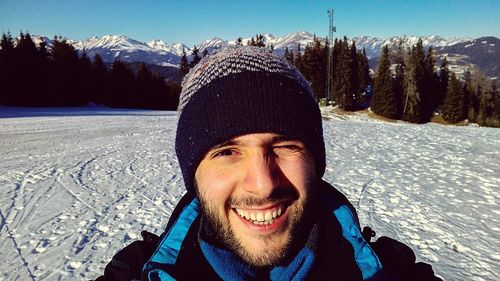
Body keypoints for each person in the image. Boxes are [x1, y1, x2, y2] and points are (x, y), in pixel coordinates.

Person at [97, 46, 441, 281]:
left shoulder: (388, 271)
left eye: (285, 146)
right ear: (193, 173)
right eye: (226, 152)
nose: (263, 184)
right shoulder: (137, 272)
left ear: (315, 163)